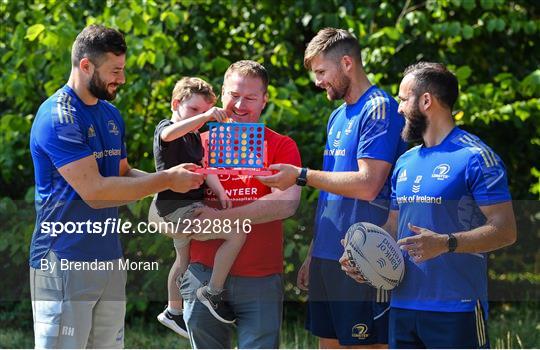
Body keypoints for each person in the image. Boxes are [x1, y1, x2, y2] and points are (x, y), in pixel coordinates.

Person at [28, 25, 203, 349]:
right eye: (115, 71)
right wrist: (166, 179)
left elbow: (121, 172)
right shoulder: (58, 117)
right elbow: (96, 192)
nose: (121, 79)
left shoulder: (110, 113)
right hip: (64, 260)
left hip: (109, 258)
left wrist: (178, 183)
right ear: (85, 66)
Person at [340, 62, 517, 348]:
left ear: (426, 101)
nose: (398, 108)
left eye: (402, 99)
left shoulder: (476, 157)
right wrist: (363, 257)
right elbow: (394, 226)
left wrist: (446, 243)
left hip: (456, 308)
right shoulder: (405, 161)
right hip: (403, 307)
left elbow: (506, 230)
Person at [257, 28, 407, 348]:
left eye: (322, 72)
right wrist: (315, 251)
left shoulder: (379, 107)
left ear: (348, 63)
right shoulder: (337, 116)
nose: (317, 81)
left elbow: (368, 185)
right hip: (329, 253)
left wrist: (300, 175)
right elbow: (331, 191)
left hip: (363, 257)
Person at [180, 60, 302, 348]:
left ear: (264, 100)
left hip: (260, 276)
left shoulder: (281, 146)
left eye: (250, 97)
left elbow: (287, 203)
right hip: (202, 272)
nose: (240, 105)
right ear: (222, 94)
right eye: (234, 95)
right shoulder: (196, 143)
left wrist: (220, 219)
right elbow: (166, 202)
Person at [153, 77, 248, 335]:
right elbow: (170, 133)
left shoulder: (194, 138)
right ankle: (213, 292)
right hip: (179, 209)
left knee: (183, 259)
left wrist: (219, 190)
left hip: (185, 206)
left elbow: (205, 169)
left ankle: (173, 311)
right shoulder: (167, 129)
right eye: (193, 109)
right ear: (176, 103)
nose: (198, 116)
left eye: (202, 110)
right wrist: (204, 117)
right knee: (237, 233)